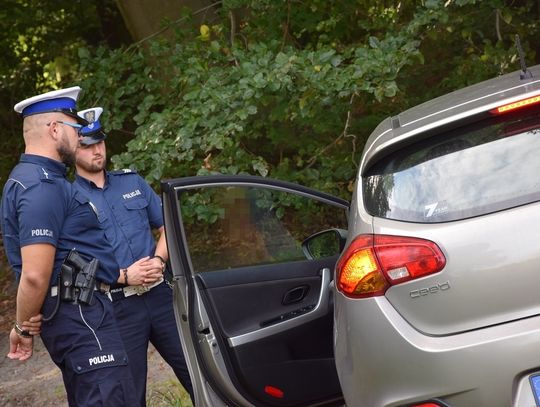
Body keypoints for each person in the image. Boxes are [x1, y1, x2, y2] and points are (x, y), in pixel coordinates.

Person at [1, 87, 139, 406]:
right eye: (75, 129)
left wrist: (29, 316)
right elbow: (35, 275)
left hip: (84, 313)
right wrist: (22, 326)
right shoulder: (41, 186)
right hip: (82, 317)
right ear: (54, 129)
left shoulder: (39, 180)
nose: (80, 138)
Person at [73, 107, 194, 406]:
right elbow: (70, 260)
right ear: (72, 150)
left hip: (160, 297)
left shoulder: (131, 182)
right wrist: (122, 276)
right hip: (117, 306)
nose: (97, 151)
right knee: (128, 393)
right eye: (87, 146)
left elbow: (168, 225)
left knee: (198, 371)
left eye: (99, 142)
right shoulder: (69, 199)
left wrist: (159, 260)